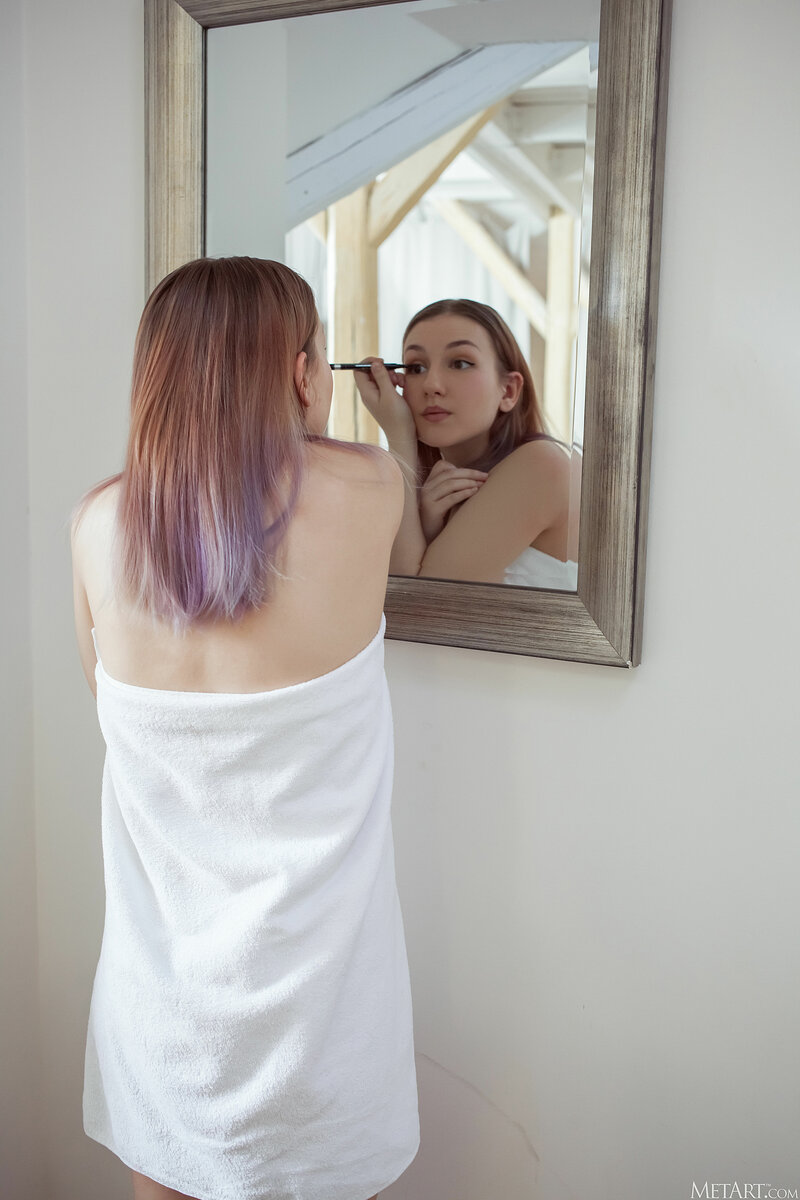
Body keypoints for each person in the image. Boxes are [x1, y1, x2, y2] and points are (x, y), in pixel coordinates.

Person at [71, 257, 419, 1200]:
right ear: (304, 374)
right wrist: (392, 428)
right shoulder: (368, 488)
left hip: (161, 1017)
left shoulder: (97, 526)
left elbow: (111, 711)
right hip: (323, 1020)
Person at [354, 298, 578, 589]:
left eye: (460, 363)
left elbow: (416, 602)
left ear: (508, 391)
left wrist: (399, 434)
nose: (432, 385)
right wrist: (426, 528)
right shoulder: (436, 492)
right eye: (416, 367)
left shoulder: (541, 465)